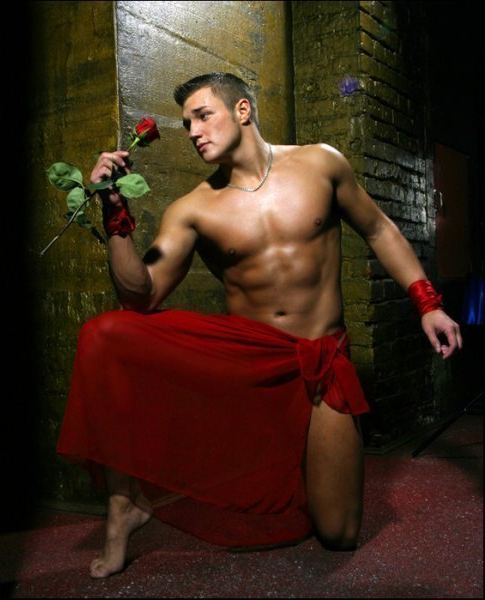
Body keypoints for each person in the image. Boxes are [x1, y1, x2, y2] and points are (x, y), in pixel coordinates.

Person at [57, 73, 462, 578]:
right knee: (108, 333)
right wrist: (115, 212)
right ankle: (125, 501)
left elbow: (379, 229)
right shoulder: (192, 209)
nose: (193, 131)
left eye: (203, 115)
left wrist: (428, 304)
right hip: (252, 367)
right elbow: (140, 295)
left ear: (243, 111)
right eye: (186, 123)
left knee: (338, 533)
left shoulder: (320, 163)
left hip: (322, 359)